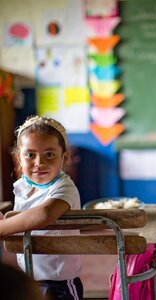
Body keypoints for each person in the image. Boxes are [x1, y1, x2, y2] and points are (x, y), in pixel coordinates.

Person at [0, 116, 83, 300]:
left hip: (59, 283)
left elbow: (44, 214)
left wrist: (3, 227)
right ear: (18, 158)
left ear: (65, 157)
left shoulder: (64, 187)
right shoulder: (22, 185)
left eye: (49, 154)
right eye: (30, 154)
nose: (39, 162)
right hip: (30, 276)